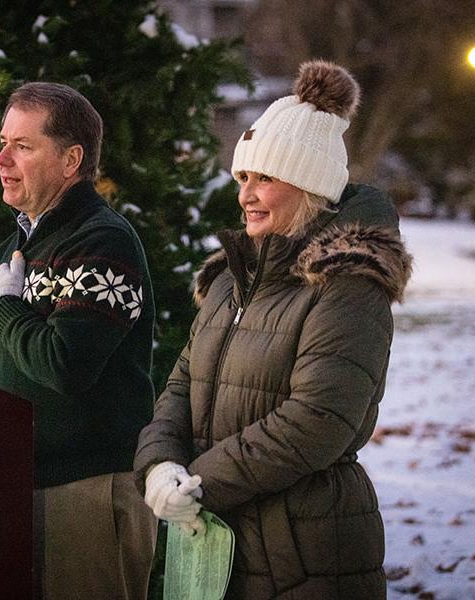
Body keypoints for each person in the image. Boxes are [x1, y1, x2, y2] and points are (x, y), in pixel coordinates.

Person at [134, 60, 413, 599]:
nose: (246, 195)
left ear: (309, 185)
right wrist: (159, 464)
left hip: (305, 554)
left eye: (265, 178)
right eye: (243, 177)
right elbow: (178, 386)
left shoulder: (348, 284)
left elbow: (319, 419)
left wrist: (199, 483)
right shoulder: (228, 281)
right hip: (218, 546)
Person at [0, 81, 157, 599]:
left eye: (22, 146)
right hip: (19, 490)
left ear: (71, 158)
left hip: (88, 493)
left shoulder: (103, 240)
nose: (1, 158)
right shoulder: (16, 247)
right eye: (3, 142)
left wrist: (7, 305)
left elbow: (64, 364)